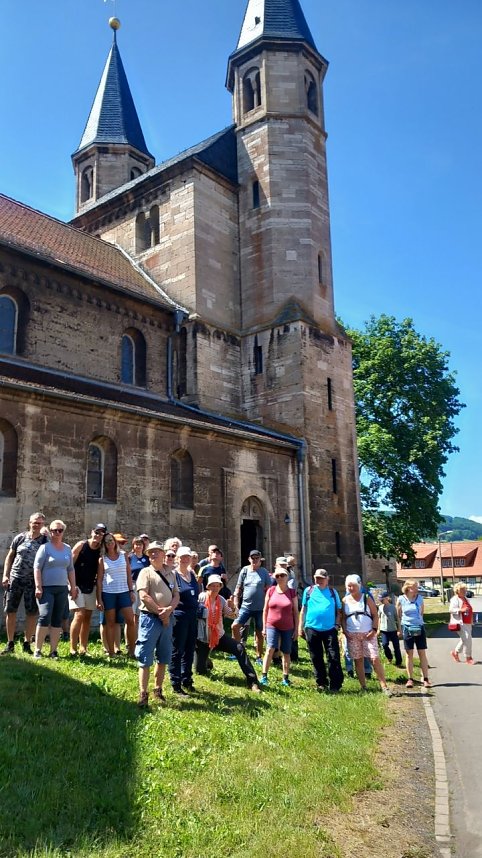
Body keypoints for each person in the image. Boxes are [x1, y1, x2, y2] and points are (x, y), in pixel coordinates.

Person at [195, 574, 260, 691]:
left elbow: (234, 615)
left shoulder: (221, 600)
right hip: (203, 638)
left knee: (239, 648)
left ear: (220, 587)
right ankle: (206, 661)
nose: (215, 588)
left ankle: (253, 681)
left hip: (219, 636)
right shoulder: (202, 597)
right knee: (200, 671)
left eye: (217, 585)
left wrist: (233, 607)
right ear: (208, 587)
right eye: (212, 586)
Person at [135, 541, 180, 706]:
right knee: (145, 657)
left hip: (167, 619)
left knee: (163, 657)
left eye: (157, 552)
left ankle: (158, 690)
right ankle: (143, 694)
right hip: (150, 618)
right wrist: (162, 613)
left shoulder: (171, 574)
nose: (154, 554)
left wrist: (169, 610)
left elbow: (176, 595)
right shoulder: (145, 573)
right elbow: (144, 596)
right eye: (151, 552)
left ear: (163, 554)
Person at [1, 512, 48, 655]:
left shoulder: (44, 542)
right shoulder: (20, 538)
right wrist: (5, 575)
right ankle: (10, 643)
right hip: (15, 579)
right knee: (10, 610)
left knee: (32, 613)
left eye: (39, 523)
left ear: (42, 525)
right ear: (29, 522)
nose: (36, 525)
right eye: (34, 522)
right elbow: (10, 556)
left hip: (32, 582)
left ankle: (27, 642)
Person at [33, 519, 78, 660]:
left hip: (62, 589)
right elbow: (37, 568)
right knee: (45, 616)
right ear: (50, 532)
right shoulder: (45, 548)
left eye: (59, 530)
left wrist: (73, 586)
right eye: (53, 530)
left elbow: (70, 569)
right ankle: (38, 650)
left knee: (57, 619)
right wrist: (38, 586)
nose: (56, 533)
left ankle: (53, 651)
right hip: (46, 589)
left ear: (63, 531)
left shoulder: (67, 548)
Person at [342, 574, 392, 695]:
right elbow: (343, 617)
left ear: (358, 586)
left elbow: (375, 615)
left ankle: (384, 686)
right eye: (348, 586)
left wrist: (374, 629)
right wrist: (345, 631)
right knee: (358, 660)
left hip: (368, 633)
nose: (351, 588)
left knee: (374, 658)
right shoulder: (344, 601)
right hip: (352, 634)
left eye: (353, 586)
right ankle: (363, 686)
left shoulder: (366, 598)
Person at [299, 569, 344, 693]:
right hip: (312, 628)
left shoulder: (332, 592)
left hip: (330, 629)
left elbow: (339, 611)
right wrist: (300, 627)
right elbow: (303, 610)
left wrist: (336, 625)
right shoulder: (308, 591)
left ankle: (335, 684)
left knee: (333, 656)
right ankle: (321, 682)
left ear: (327, 579)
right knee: (316, 657)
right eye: (317, 578)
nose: (319, 580)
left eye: (321, 578)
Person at [96, 533, 136, 658]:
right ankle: (111, 652)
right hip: (108, 593)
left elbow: (129, 574)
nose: (109, 543)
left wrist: (131, 591)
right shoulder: (102, 559)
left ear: (115, 542)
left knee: (131, 621)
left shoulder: (124, 555)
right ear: (104, 544)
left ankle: (131, 651)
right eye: (107, 541)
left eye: (111, 540)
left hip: (124, 592)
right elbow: (99, 579)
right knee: (110, 623)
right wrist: (99, 599)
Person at [69, 523, 106, 656]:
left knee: (87, 617)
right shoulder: (81, 545)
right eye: (97, 532)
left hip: (90, 586)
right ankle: (72, 648)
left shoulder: (101, 550)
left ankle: (83, 648)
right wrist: (70, 585)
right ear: (92, 532)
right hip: (77, 585)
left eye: (102, 533)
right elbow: (69, 565)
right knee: (79, 615)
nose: (98, 535)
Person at [260, 564, 298, 686]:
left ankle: (285, 678)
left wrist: (297, 629)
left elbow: (296, 612)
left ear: (287, 577)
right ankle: (264, 676)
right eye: (278, 576)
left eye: (283, 575)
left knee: (286, 652)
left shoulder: (292, 592)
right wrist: (264, 627)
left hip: (288, 626)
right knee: (270, 649)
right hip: (272, 624)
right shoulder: (271, 591)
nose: (280, 577)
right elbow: (265, 610)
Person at [232, 549, 272, 664]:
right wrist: (235, 603)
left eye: (257, 558)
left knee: (259, 632)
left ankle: (259, 656)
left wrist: (269, 606)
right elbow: (238, 587)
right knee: (235, 626)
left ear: (260, 560)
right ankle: (238, 651)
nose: (255, 560)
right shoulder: (244, 570)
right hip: (246, 607)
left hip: (260, 608)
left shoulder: (264, 572)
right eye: (252, 558)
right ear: (249, 559)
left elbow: (269, 589)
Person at [169, 546, 199, 694]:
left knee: (189, 649)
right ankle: (175, 682)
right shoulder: (174, 575)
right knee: (178, 649)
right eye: (183, 557)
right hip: (179, 616)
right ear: (177, 558)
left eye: (188, 556)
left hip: (192, 616)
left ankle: (187, 678)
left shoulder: (192, 574)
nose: (186, 559)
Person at [397, 579, 431, 688]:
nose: (417, 589)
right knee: (409, 653)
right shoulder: (401, 599)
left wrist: (418, 622)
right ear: (408, 588)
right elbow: (399, 616)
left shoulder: (420, 599)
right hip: (407, 628)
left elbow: (422, 612)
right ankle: (410, 679)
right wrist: (399, 629)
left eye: (417, 587)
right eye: (415, 587)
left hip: (419, 627)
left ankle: (426, 679)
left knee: (422, 652)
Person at [449, 581, 474, 665]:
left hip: (467, 622)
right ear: (457, 590)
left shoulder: (466, 598)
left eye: (465, 589)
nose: (464, 591)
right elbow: (451, 610)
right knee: (467, 638)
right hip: (460, 622)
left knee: (465, 639)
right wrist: (460, 610)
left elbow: (470, 609)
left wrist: (471, 620)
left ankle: (455, 652)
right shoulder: (454, 599)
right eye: (462, 589)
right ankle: (468, 657)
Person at [378, 591, 403, 667]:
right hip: (384, 630)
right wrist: (378, 629)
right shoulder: (380, 607)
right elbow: (379, 618)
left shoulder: (393, 607)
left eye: (383, 599)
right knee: (385, 645)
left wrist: (399, 629)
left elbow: (397, 619)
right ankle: (389, 657)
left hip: (393, 629)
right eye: (380, 600)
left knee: (396, 646)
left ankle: (398, 662)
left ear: (387, 598)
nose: (381, 601)